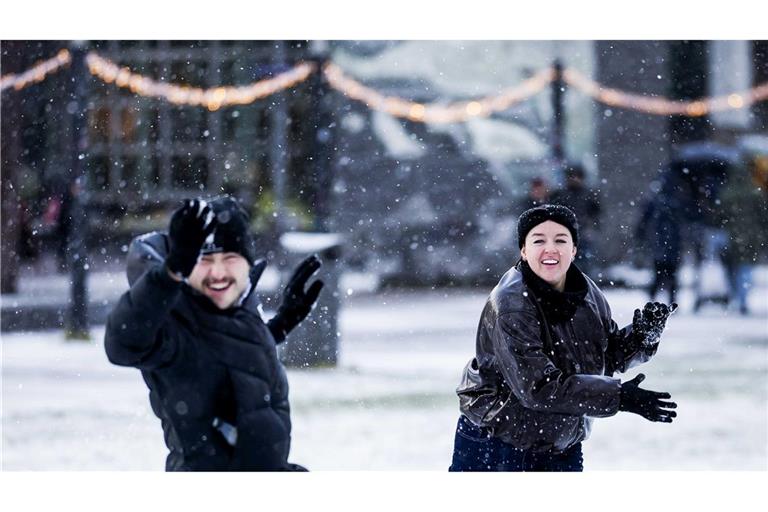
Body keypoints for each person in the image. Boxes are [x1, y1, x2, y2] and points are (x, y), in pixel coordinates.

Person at [450, 204, 677, 472]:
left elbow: (606, 355)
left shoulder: (586, 293)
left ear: (574, 249)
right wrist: (620, 397)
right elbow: (538, 388)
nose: (551, 249)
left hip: (561, 440)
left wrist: (642, 337)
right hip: (501, 440)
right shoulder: (511, 305)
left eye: (560, 240)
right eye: (538, 241)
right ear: (524, 250)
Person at [105, 196, 324, 471]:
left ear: (247, 263)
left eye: (231, 258)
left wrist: (279, 326)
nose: (218, 272)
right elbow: (123, 343)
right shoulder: (173, 322)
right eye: (205, 259)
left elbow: (230, 358)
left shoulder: (242, 311)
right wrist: (169, 274)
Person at [550, 163, 601, 276]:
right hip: (565, 235)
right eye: (572, 176)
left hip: (583, 235)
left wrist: (592, 228)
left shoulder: (589, 195)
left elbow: (596, 214)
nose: (575, 179)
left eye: (577, 176)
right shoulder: (560, 195)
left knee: (585, 267)